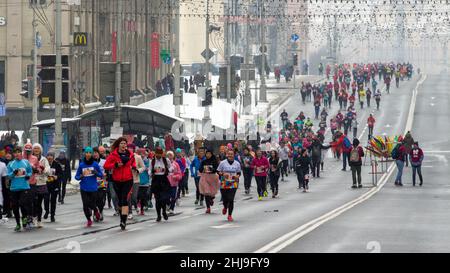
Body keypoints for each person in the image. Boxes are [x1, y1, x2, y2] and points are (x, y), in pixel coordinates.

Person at [104, 137, 136, 230]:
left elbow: (133, 163)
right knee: (119, 200)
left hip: (128, 179)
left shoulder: (130, 154)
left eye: (125, 144)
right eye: (122, 143)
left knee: (124, 199)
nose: (124, 145)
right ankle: (122, 216)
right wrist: (115, 165)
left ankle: (123, 221)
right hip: (117, 180)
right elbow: (106, 165)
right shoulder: (113, 155)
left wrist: (134, 167)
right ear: (118, 145)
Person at [75, 147, 103, 228]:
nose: (88, 154)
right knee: (85, 205)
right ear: (85, 154)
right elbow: (76, 177)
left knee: (92, 203)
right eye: (86, 153)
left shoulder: (95, 164)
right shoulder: (81, 165)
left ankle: (96, 210)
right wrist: (81, 176)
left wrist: (96, 172)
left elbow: (101, 175)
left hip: (93, 187)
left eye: (89, 153)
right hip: (84, 187)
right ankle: (89, 220)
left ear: (91, 154)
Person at [7, 147, 33, 231]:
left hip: (24, 187)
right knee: (15, 207)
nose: (17, 154)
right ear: (13, 154)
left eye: (19, 152)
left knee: (22, 203)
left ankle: (24, 219)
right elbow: (9, 176)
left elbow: (30, 171)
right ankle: (18, 224)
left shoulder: (26, 162)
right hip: (14, 188)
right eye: (15, 152)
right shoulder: (11, 164)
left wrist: (28, 175)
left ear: (21, 153)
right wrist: (13, 173)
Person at [217, 150, 241, 222]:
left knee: (231, 199)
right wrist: (222, 174)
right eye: (229, 154)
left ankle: (230, 215)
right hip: (224, 182)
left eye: (232, 154)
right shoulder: (222, 163)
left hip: (233, 183)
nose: (230, 155)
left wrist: (237, 176)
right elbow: (218, 171)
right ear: (227, 155)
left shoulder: (237, 163)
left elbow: (239, 173)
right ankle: (225, 207)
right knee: (225, 199)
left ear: (234, 155)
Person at [149, 147, 172, 222]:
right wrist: (152, 172)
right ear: (155, 153)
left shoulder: (166, 160)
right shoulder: (152, 161)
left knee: (164, 198)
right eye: (157, 153)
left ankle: (164, 211)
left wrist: (167, 170)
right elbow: (149, 170)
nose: (159, 155)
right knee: (157, 199)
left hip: (164, 179)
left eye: (160, 154)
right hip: (156, 180)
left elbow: (171, 167)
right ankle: (158, 215)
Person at [32, 143, 50, 228]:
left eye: (37, 148)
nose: (36, 150)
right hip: (32, 183)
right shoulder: (30, 159)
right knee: (33, 202)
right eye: (35, 148)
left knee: (39, 203)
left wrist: (43, 170)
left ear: (40, 150)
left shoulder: (44, 159)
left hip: (42, 183)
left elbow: (48, 169)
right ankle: (33, 217)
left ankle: (39, 220)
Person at [199, 148, 220, 214]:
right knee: (206, 192)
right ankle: (208, 208)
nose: (208, 155)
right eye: (207, 154)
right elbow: (200, 169)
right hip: (205, 177)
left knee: (212, 193)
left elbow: (217, 169)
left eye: (209, 154)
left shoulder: (214, 161)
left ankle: (211, 198)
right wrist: (203, 169)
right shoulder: (204, 161)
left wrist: (211, 169)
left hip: (213, 177)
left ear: (211, 154)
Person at [127, 144, 145, 220]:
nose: (130, 149)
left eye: (131, 148)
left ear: (134, 149)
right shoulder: (125, 157)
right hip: (126, 179)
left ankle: (136, 205)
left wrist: (138, 170)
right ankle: (129, 212)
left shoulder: (138, 157)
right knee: (128, 197)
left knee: (134, 197)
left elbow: (143, 167)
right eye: (128, 148)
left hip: (135, 180)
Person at [45, 151, 62, 223]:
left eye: (51, 156)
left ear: (53, 157)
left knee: (53, 201)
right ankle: (47, 211)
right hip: (46, 185)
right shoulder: (44, 164)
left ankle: (52, 215)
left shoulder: (57, 164)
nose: (49, 157)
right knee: (46, 199)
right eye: (48, 156)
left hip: (54, 185)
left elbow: (61, 174)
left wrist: (57, 176)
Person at [93, 147, 106, 221]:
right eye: (93, 153)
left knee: (101, 199)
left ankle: (100, 210)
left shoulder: (103, 162)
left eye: (96, 152)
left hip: (101, 183)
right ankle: (95, 213)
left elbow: (108, 170)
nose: (95, 154)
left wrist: (105, 174)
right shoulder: (90, 162)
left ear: (99, 153)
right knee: (94, 199)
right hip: (92, 183)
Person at [136, 148, 150, 214]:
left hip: (145, 181)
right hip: (137, 181)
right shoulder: (136, 160)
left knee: (144, 196)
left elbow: (149, 169)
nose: (142, 155)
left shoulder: (147, 161)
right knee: (138, 196)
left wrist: (148, 170)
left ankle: (142, 209)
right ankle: (138, 206)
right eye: (140, 153)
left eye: (143, 153)